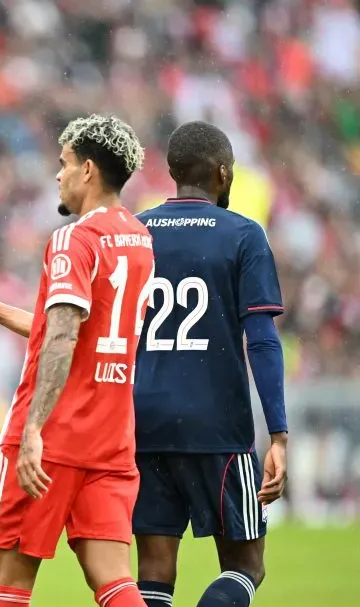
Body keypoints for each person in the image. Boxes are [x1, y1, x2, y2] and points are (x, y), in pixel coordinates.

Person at [0, 114, 155, 607]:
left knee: (8, 578)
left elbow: (65, 336)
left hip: (54, 435)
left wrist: (33, 428)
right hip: (111, 439)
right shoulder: (139, 239)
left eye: (65, 163)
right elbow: (84, 331)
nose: (58, 174)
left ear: (88, 170)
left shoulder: (74, 238)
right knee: (113, 578)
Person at [132, 121, 287, 607]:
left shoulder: (135, 231)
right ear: (222, 173)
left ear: (172, 172)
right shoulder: (243, 234)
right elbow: (262, 341)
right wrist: (279, 434)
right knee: (246, 566)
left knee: (154, 572)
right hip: (216, 424)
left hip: (144, 420)